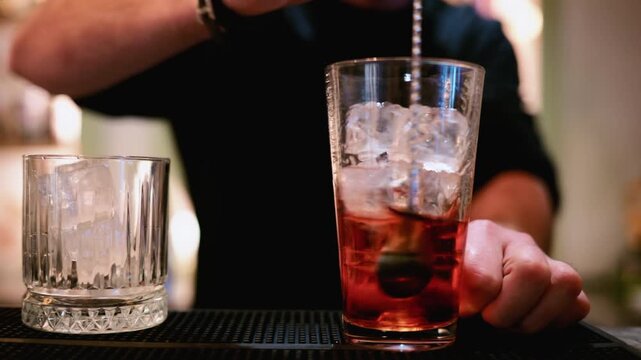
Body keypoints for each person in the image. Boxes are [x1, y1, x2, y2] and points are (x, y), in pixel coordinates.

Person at [9, 0, 590, 333]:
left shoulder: (470, 37)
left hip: (419, 333)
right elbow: (39, 54)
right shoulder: (234, 21)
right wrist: (221, 5)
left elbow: (517, 174)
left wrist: (499, 247)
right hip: (235, 335)